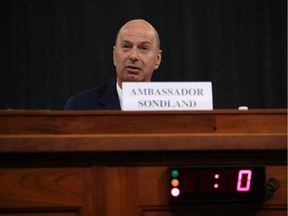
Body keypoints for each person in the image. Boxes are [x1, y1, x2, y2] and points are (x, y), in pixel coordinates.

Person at [64, 19, 162, 110]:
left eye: (143, 48)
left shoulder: (173, 107)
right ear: (115, 55)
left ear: (157, 59)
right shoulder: (80, 106)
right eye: (126, 46)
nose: (133, 56)